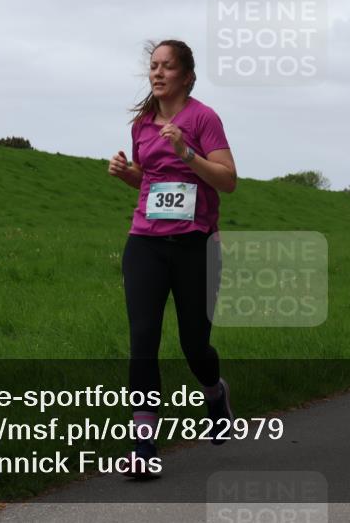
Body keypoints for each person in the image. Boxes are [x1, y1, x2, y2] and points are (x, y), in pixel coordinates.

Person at [108, 39, 237, 479]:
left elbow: (228, 179)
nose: (157, 73)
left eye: (166, 67)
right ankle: (143, 447)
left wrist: (186, 151)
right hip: (144, 241)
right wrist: (131, 177)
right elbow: (154, 184)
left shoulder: (203, 118)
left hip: (195, 245)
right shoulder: (142, 124)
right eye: (153, 66)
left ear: (186, 75)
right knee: (142, 340)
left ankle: (215, 394)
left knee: (194, 344)